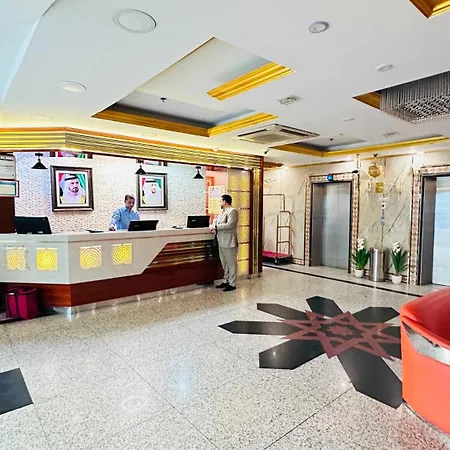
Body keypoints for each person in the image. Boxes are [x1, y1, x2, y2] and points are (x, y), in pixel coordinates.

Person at [210, 194, 239, 292]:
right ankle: (225, 280)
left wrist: (216, 227)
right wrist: (214, 225)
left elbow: (230, 225)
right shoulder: (222, 212)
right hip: (221, 241)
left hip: (229, 241)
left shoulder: (233, 211)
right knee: (224, 262)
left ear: (225, 202)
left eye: (220, 201)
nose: (220, 203)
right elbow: (216, 221)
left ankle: (232, 283)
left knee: (231, 263)